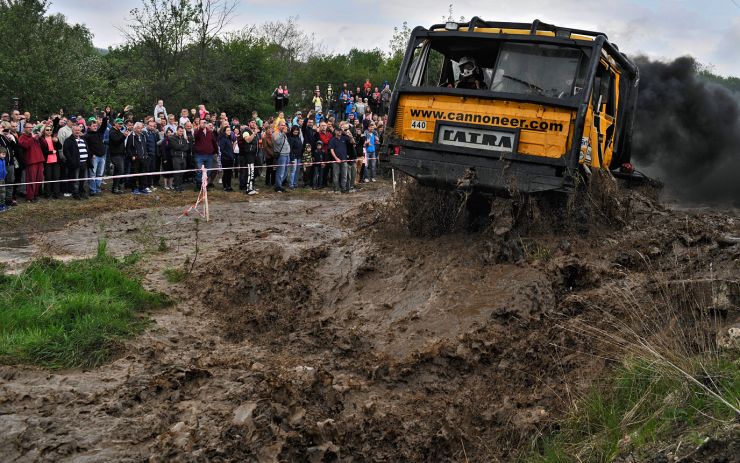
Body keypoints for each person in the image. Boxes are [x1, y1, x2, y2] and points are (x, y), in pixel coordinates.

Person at [18, 123, 45, 202]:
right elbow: (25, 145)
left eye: (31, 127)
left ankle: (35, 195)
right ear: (24, 128)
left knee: (39, 179)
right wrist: (33, 138)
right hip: (31, 161)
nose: (30, 129)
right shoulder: (22, 137)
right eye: (28, 127)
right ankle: (30, 197)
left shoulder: (35, 136)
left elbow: (44, 145)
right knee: (31, 180)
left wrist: (40, 137)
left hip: (39, 159)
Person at [62, 124, 90, 199]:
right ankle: (76, 193)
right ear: (72, 131)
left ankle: (82, 192)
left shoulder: (83, 139)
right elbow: (66, 152)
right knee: (76, 180)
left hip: (84, 162)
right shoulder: (68, 140)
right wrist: (72, 161)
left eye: (78, 130)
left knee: (83, 179)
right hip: (75, 164)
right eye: (75, 130)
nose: (77, 131)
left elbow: (87, 149)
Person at [84, 116, 108, 195]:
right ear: (89, 127)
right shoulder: (87, 136)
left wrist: (105, 117)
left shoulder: (99, 132)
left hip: (102, 156)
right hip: (94, 157)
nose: (95, 127)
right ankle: (92, 190)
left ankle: (97, 188)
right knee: (92, 174)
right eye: (93, 126)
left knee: (100, 174)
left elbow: (104, 125)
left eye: (96, 126)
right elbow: (87, 147)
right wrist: (91, 155)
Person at [125, 122, 149, 195]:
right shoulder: (131, 136)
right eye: (139, 128)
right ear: (135, 128)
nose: (140, 129)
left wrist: (145, 154)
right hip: (135, 158)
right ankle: (134, 188)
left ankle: (143, 187)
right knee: (134, 173)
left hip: (143, 158)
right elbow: (128, 148)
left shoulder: (143, 135)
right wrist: (132, 156)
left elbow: (144, 146)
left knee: (143, 173)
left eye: (141, 128)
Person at [193, 120, 217, 191]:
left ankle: (204, 185)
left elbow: (214, 142)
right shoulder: (197, 131)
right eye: (202, 123)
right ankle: (198, 185)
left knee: (208, 171)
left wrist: (216, 151)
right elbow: (195, 136)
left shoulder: (210, 132)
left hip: (209, 155)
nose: (204, 124)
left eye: (205, 123)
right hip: (199, 155)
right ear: (199, 124)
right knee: (200, 171)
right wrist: (201, 128)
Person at [328, 126, 353, 193]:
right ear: (335, 131)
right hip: (336, 161)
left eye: (340, 131)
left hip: (344, 160)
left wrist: (351, 136)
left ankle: (343, 188)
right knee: (336, 175)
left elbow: (352, 143)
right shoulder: (332, 140)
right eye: (338, 131)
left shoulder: (344, 138)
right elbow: (331, 150)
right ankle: (336, 189)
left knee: (344, 175)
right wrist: (336, 158)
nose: (339, 132)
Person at [40, 124, 62, 199]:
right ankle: (47, 194)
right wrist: (51, 152)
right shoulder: (42, 139)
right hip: (47, 161)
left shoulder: (54, 138)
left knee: (56, 177)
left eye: (50, 130)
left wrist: (57, 141)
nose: (49, 131)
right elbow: (42, 151)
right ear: (44, 131)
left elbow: (60, 147)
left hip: (56, 161)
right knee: (48, 178)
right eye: (47, 130)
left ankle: (56, 193)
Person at [239, 120, 259, 195]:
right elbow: (247, 140)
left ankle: (251, 186)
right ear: (249, 123)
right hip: (248, 154)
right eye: (252, 122)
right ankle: (248, 189)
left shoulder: (253, 132)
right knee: (250, 172)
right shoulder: (246, 131)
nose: (254, 124)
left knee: (254, 171)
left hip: (254, 154)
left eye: (255, 123)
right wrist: (254, 133)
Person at [108, 118, 127, 194]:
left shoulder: (118, 131)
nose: (120, 125)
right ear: (115, 123)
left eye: (121, 124)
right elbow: (116, 141)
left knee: (117, 171)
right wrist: (124, 136)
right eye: (119, 123)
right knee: (120, 171)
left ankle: (116, 187)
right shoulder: (112, 132)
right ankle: (116, 187)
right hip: (115, 155)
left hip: (120, 154)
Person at [168, 126, 190, 192]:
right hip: (176, 158)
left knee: (182, 173)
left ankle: (180, 185)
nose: (181, 132)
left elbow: (187, 148)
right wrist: (182, 146)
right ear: (177, 131)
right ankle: (176, 186)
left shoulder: (184, 139)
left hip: (183, 158)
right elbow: (176, 147)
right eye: (180, 131)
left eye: (182, 131)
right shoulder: (172, 138)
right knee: (177, 172)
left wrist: (181, 146)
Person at [272, 120, 290, 192]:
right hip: (281, 155)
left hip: (287, 154)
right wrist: (283, 133)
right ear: (278, 126)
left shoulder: (283, 133)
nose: (284, 126)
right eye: (282, 125)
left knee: (285, 172)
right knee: (280, 171)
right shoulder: (276, 133)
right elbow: (277, 142)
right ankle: (278, 186)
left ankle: (279, 184)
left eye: (284, 125)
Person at [218, 126, 235, 192]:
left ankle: (229, 185)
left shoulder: (229, 139)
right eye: (227, 130)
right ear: (224, 131)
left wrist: (232, 156)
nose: (229, 131)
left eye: (230, 130)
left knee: (230, 173)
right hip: (225, 159)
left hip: (230, 158)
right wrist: (228, 155)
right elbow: (222, 149)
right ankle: (225, 186)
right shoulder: (222, 139)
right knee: (226, 173)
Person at [287, 124, 303, 189]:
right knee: (293, 171)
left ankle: (295, 183)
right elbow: (290, 149)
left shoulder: (298, 138)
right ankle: (291, 184)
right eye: (295, 132)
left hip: (299, 157)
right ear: (292, 131)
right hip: (294, 157)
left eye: (297, 132)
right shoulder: (290, 138)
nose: (296, 133)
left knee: (297, 171)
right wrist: (292, 158)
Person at [0, 147, 7, 212]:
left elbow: (4, 169)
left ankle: (2, 204)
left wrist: (5, 173)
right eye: (3, 154)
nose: (4, 156)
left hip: (3, 179)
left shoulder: (4, 160)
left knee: (3, 192)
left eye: (5, 154)